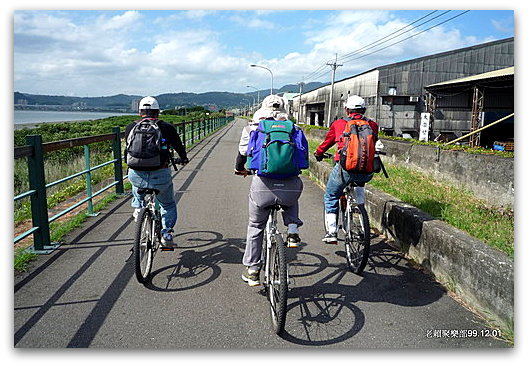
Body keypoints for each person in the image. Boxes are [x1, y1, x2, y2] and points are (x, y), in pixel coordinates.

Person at [235, 94, 304, 286]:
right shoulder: (293, 128)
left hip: (262, 186)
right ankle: (292, 229)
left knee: (256, 226)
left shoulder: (253, 128)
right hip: (290, 188)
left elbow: (242, 153)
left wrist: (239, 169)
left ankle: (253, 270)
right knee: (291, 195)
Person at [313, 95, 379, 244]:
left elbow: (327, 142)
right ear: (364, 109)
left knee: (331, 196)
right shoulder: (373, 125)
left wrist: (318, 153)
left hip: (345, 169)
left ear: (347, 109)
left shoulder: (339, 124)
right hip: (366, 171)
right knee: (359, 185)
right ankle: (361, 214)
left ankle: (331, 232)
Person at [125, 96, 188, 247]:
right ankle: (166, 234)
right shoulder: (166, 127)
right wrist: (184, 158)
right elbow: (179, 147)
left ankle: (138, 207)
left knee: (136, 184)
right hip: (160, 173)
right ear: (157, 112)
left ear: (140, 112)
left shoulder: (131, 127)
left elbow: (128, 150)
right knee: (168, 204)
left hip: (136, 172)